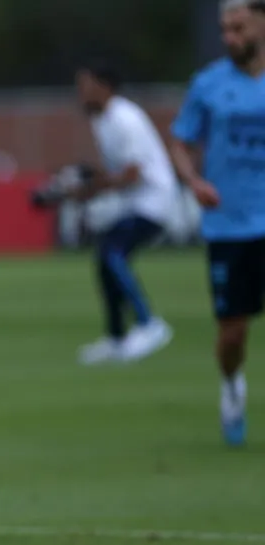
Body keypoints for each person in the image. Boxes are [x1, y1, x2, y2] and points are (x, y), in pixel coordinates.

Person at [170, 0, 265, 446]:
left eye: (238, 27)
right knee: (233, 333)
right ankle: (231, 384)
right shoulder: (208, 84)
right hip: (229, 226)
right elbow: (182, 143)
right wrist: (193, 181)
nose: (230, 37)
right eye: (225, 28)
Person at [72, 61, 178, 366]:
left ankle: (149, 324)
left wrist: (92, 188)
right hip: (135, 202)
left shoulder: (125, 118)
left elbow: (131, 174)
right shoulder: (102, 120)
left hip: (155, 200)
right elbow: (115, 171)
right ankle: (117, 338)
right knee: (105, 261)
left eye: (86, 85)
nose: (80, 93)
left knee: (113, 253)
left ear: (104, 86)